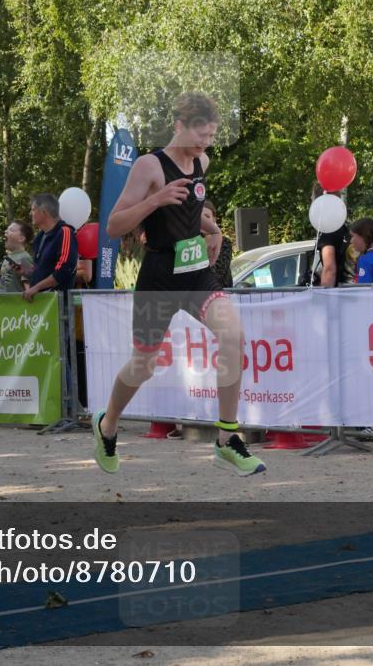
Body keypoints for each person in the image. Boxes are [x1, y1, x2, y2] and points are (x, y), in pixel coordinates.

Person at [92, 92, 266, 477]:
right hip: (158, 277)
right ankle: (107, 425)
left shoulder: (202, 161)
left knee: (234, 335)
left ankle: (226, 439)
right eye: (198, 135)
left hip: (195, 274)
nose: (204, 144)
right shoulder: (149, 166)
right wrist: (156, 201)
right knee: (144, 365)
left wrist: (212, 227)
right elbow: (114, 225)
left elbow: (189, 213)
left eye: (210, 136)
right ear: (178, 127)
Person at [24, 193, 78, 302]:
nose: (30, 213)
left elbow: (64, 270)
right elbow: (42, 270)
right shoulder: (39, 237)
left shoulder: (65, 232)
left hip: (57, 306)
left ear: (44, 212)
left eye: (33, 210)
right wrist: (25, 271)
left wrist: (36, 287)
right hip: (39, 306)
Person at [202, 200, 233, 288]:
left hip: (219, 295)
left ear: (214, 219)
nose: (204, 223)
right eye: (200, 218)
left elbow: (217, 273)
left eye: (207, 217)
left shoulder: (225, 243)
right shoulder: (191, 241)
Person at [0, 221, 34, 293]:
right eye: (7, 229)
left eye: (11, 230)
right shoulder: (9, 257)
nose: (6, 231)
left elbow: (28, 286)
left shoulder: (24, 258)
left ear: (21, 239)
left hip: (17, 303)